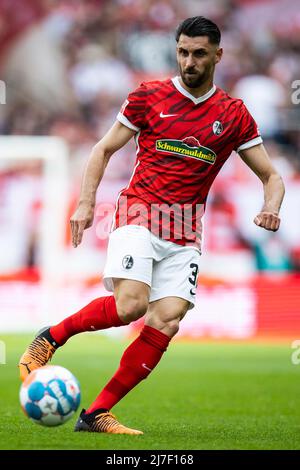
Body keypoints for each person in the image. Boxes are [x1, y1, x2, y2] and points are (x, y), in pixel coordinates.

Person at [19, 16, 285, 435]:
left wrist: (271, 206)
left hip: (185, 229)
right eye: (182, 52)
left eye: (199, 54)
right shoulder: (149, 96)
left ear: (218, 55)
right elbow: (103, 148)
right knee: (131, 307)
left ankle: (96, 414)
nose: (189, 61)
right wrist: (85, 204)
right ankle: (52, 335)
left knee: (168, 319)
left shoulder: (233, 115)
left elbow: (271, 175)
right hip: (139, 213)